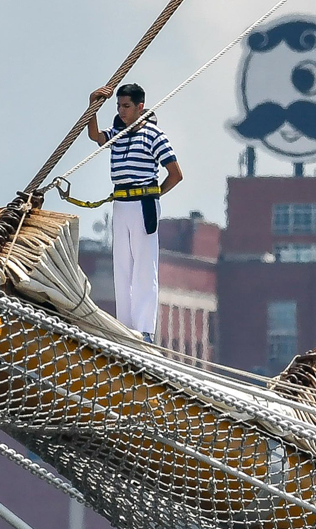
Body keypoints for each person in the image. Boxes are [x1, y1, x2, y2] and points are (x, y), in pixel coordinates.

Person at [87, 83, 183, 344]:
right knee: (122, 265)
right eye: (119, 106)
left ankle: (144, 330)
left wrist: (155, 194)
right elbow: (95, 136)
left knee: (144, 266)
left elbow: (175, 174)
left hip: (143, 204)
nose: (122, 111)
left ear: (140, 107)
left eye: (126, 106)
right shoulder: (117, 132)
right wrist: (92, 105)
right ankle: (125, 326)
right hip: (120, 203)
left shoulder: (154, 135)